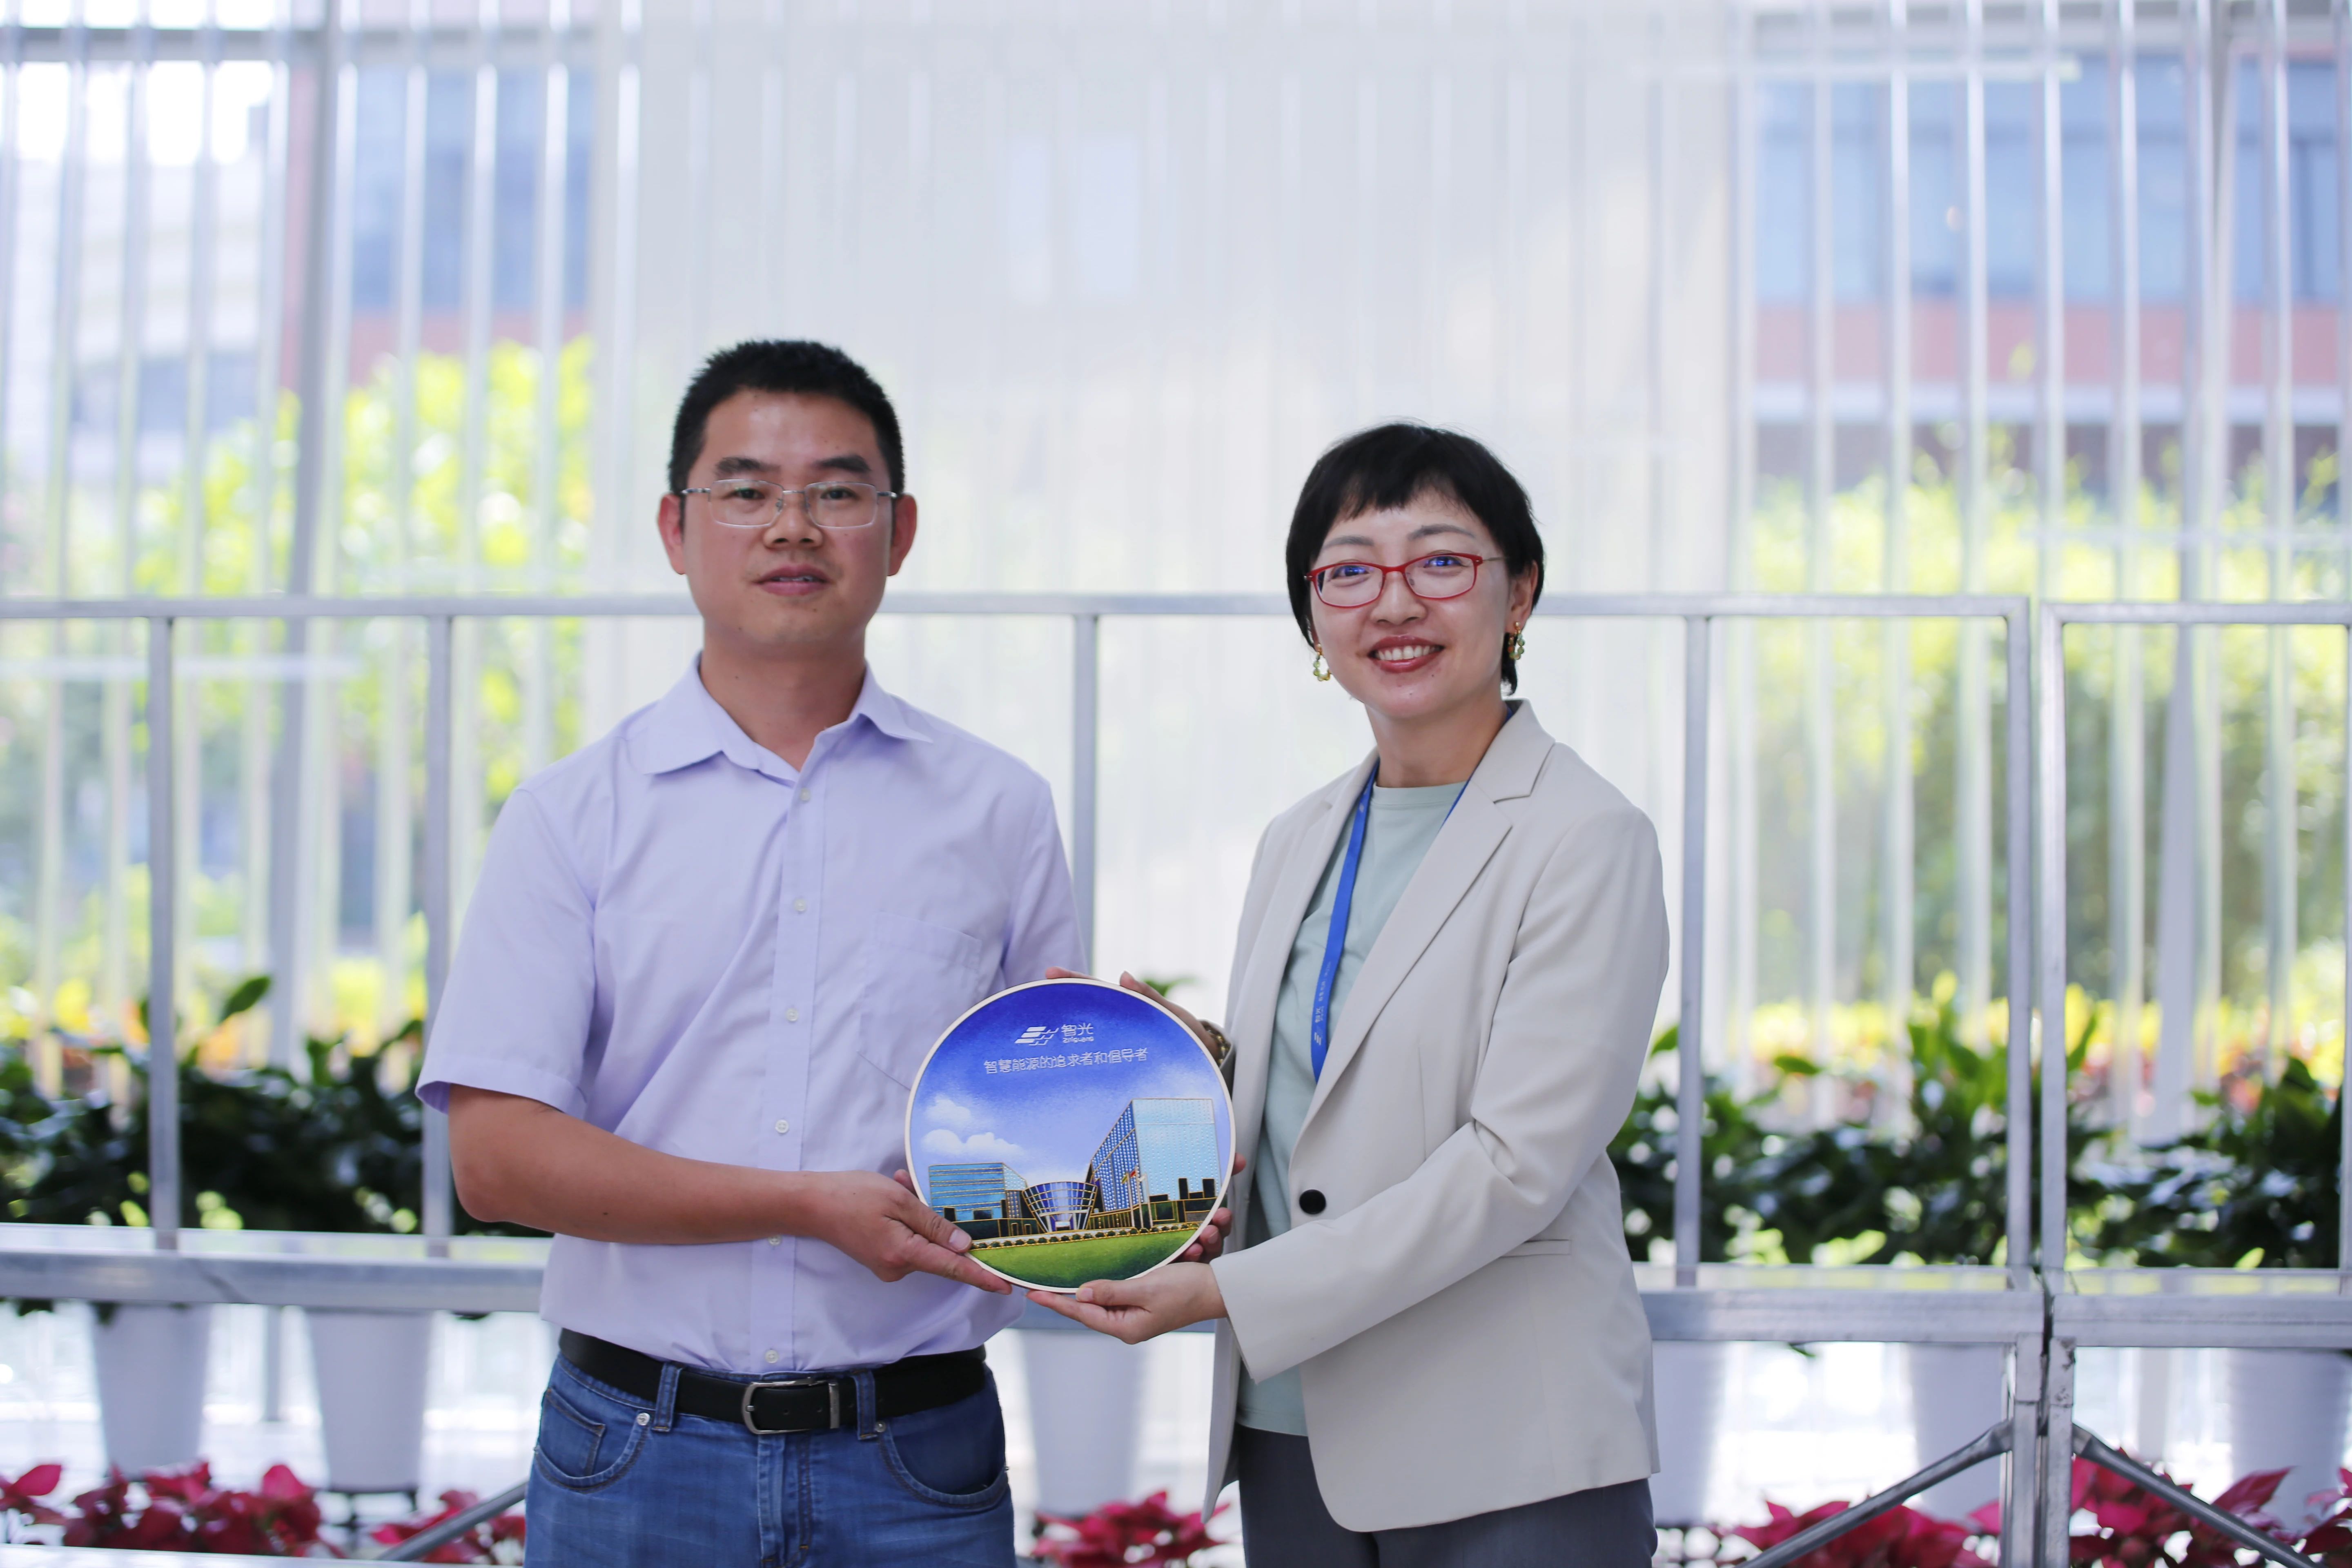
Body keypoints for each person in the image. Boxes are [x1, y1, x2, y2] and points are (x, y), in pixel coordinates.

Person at [421, 340, 1151, 1567]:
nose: (792, 525)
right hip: (636, 1452)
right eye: (747, 490)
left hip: (916, 1460)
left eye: (838, 491)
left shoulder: (999, 809)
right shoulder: (570, 816)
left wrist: (1148, 1114)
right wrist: (809, 1207)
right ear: (675, 528)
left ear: (899, 532)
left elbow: (1039, 1148)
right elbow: (494, 1163)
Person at [1032, 423, 1670, 1568]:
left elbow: (1514, 1166)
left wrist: (1229, 1294)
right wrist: (1164, 1060)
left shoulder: (1586, 837)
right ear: (1314, 618)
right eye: (1350, 571)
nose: (1395, 602)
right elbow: (1324, 1087)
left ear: (1520, 594)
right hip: (1295, 1422)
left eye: (1441, 562)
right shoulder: (1301, 834)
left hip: (1504, 1437)